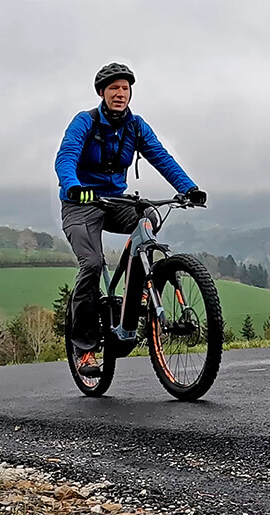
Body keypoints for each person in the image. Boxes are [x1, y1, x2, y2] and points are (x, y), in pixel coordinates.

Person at [54, 62, 206, 377]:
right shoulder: (85, 122)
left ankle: (136, 292)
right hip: (81, 204)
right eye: (114, 88)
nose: (120, 94)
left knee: (148, 215)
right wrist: (74, 186)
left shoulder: (135, 126)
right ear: (102, 93)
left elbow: (161, 157)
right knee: (92, 264)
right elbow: (66, 157)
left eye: (125, 88)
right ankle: (84, 349)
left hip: (116, 201)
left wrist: (188, 188)